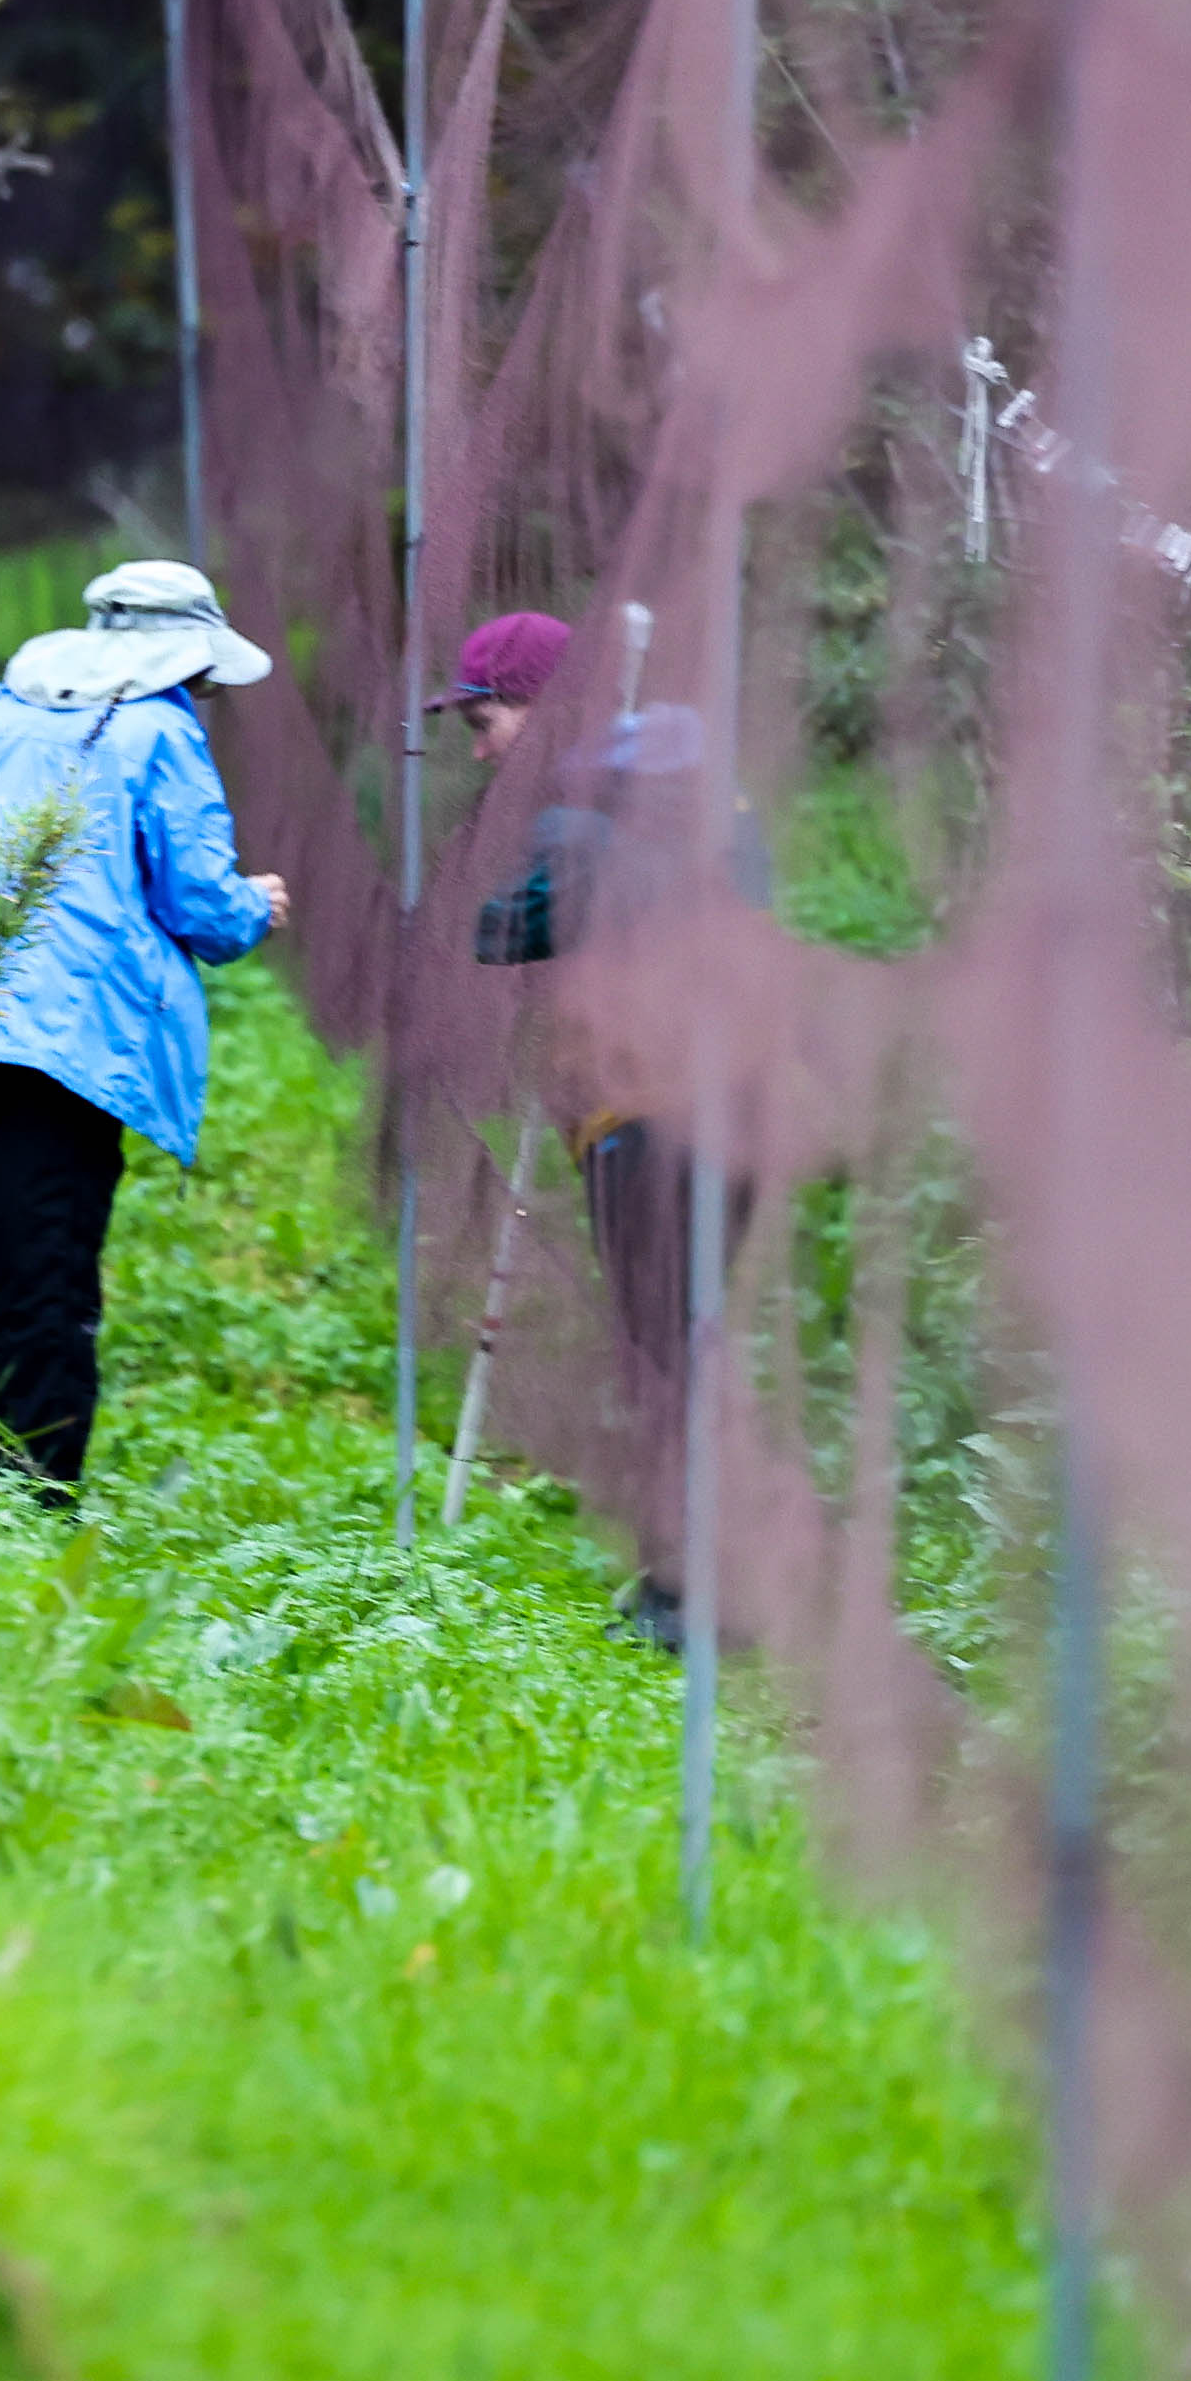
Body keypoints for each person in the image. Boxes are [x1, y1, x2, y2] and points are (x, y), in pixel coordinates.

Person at [0, 559, 291, 1495]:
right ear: (191, 662)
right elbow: (202, 909)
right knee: (41, 1273)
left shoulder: (3, 712)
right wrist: (254, 904)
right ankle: (33, 1501)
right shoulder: (161, 730)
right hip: (66, 1037)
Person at [448, 609, 758, 1650]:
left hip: (649, 1109)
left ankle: (689, 1600)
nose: (479, 746)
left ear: (538, 707)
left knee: (663, 1356)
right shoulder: (705, 791)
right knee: (697, 1345)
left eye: (483, 720)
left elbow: (494, 926)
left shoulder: (576, 815)